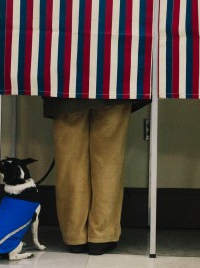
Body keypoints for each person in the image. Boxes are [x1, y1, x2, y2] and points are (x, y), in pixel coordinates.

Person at [44, 98, 146, 255]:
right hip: (114, 84)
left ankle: (75, 235)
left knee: (69, 159)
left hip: (66, 86)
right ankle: (102, 235)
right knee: (109, 157)